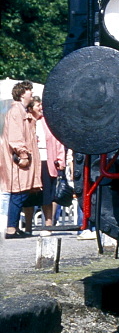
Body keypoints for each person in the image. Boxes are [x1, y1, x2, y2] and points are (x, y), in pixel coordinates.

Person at [0, 81, 42, 238]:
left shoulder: (24, 111)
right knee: (18, 192)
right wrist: (23, 155)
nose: (31, 93)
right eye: (29, 90)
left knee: (21, 192)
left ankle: (14, 227)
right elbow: (15, 137)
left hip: (23, 159)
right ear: (22, 93)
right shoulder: (16, 112)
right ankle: (11, 229)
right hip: (19, 160)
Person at [25, 97, 65, 236]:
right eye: (38, 105)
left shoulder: (47, 122)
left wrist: (61, 159)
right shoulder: (27, 122)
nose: (41, 107)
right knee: (30, 196)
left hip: (47, 161)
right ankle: (28, 228)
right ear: (30, 108)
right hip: (31, 163)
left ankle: (48, 226)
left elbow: (57, 141)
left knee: (47, 196)